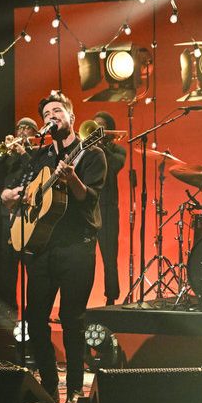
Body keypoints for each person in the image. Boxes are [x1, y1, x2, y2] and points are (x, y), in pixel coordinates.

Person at [0, 92, 106, 403]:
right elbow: (25, 187)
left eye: (57, 111)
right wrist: (11, 195)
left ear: (71, 117)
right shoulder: (41, 155)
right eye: (47, 114)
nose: (52, 117)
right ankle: (48, 385)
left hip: (77, 247)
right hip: (42, 247)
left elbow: (88, 198)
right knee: (34, 320)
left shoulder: (92, 153)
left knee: (72, 321)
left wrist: (72, 179)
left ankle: (73, 389)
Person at [0, 117, 39, 315]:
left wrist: (23, 153)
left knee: (31, 264)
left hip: (29, 212)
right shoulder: (10, 155)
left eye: (27, 128)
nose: (22, 131)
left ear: (35, 133)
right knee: (8, 263)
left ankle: (33, 308)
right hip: (8, 212)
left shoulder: (37, 152)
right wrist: (4, 153)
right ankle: (9, 306)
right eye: (20, 128)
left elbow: (36, 170)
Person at [92, 111, 126, 305]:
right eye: (94, 125)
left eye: (101, 126)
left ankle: (111, 298)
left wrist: (102, 146)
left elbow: (113, 167)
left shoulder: (117, 150)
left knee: (109, 257)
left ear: (108, 130)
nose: (96, 128)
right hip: (88, 208)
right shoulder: (86, 149)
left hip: (107, 209)